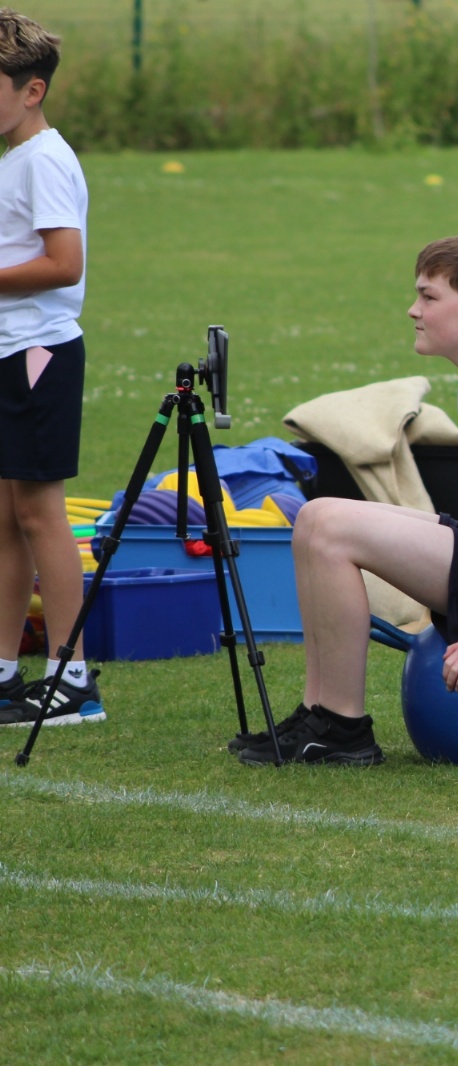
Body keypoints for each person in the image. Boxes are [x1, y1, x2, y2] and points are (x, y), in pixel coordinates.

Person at [235, 233, 458, 765]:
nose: (413, 309)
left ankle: (343, 729)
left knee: (331, 530)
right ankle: (317, 712)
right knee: (314, 517)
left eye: (428, 296)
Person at [0, 11, 97, 727]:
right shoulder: (14, 157)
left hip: (38, 356)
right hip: (10, 351)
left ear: (31, 90)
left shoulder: (43, 160)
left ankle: (72, 679)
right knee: (6, 519)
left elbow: (66, 264)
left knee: (40, 514)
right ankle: (4, 671)